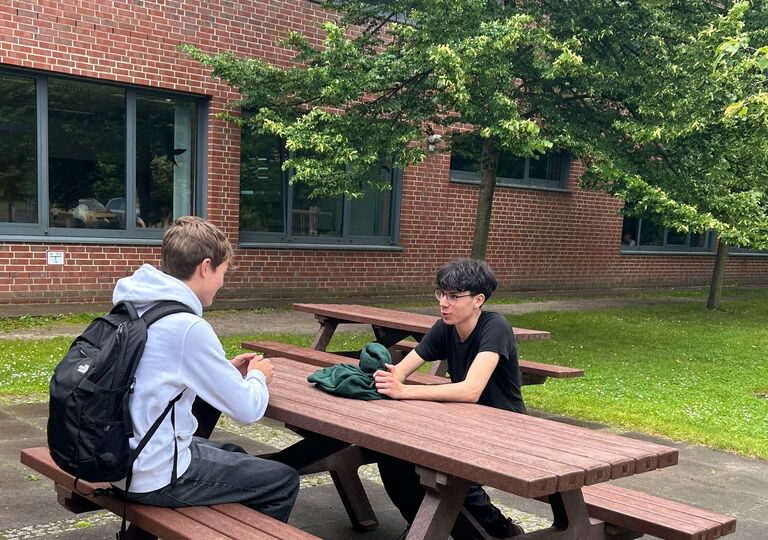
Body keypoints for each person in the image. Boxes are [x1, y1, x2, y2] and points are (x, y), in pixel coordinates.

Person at [111, 216, 299, 522]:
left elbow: (156, 370)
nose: (222, 282)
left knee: (234, 453)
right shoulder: (186, 327)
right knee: (282, 479)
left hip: (113, 456)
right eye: (222, 272)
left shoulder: (136, 305)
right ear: (205, 266)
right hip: (151, 475)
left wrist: (222, 370)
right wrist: (257, 377)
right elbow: (247, 411)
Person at [374, 258, 525, 539]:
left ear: (478, 299)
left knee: (447, 473)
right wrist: (385, 377)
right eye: (441, 294)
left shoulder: (495, 327)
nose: (444, 303)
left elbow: (471, 390)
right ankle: (420, 522)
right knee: (390, 451)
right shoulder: (445, 327)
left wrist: (404, 391)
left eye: (454, 296)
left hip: (504, 428)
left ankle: (501, 530)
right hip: (463, 422)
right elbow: (400, 372)